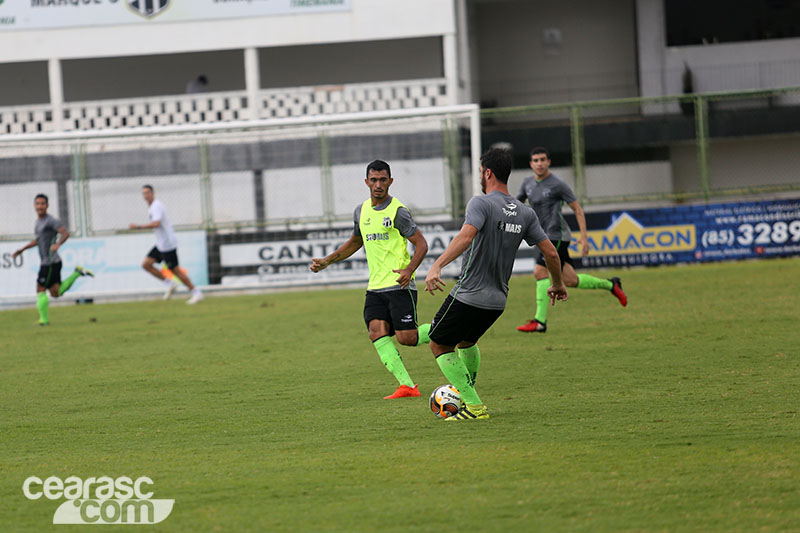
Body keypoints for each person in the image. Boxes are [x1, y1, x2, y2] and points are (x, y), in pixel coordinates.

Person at [425, 148, 568, 421]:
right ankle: (467, 393)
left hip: (468, 294)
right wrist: (558, 284)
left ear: (487, 172)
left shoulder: (480, 204)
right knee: (467, 342)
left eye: (480, 172)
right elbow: (551, 252)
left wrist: (437, 265)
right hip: (497, 301)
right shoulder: (525, 213)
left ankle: (474, 405)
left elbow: (466, 238)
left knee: (438, 344)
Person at [310, 160, 431, 399]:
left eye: (383, 180)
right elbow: (355, 242)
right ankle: (407, 386)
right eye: (373, 180)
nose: (378, 185)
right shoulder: (361, 211)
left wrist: (409, 270)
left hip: (399, 284)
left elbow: (422, 244)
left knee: (407, 338)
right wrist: (327, 261)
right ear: (366, 182)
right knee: (376, 332)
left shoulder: (398, 211)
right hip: (375, 287)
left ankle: (450, 330)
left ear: (390, 182)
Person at [516, 147, 626, 333]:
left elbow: (577, 209)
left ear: (548, 162)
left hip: (556, 236)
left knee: (539, 271)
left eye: (543, 159)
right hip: (542, 235)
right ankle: (611, 284)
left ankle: (539, 321)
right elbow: (516, 205)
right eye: (536, 160)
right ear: (531, 164)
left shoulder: (558, 184)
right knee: (570, 280)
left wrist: (584, 237)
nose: (539, 163)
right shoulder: (527, 183)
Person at [12, 194, 94, 326]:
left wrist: (58, 244)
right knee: (56, 292)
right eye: (38, 204)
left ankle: (44, 320)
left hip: (49, 263)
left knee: (40, 288)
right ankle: (77, 273)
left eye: (42, 204)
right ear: (34, 206)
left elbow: (65, 233)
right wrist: (22, 249)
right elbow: (38, 241)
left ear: (47, 206)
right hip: (51, 262)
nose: (40, 206)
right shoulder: (37, 222)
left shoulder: (51, 221)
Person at [129, 185, 204, 305]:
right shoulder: (152, 207)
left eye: (148, 192)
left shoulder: (156, 206)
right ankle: (170, 284)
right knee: (146, 264)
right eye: (144, 193)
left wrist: (138, 227)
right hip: (160, 244)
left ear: (153, 193)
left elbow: (156, 223)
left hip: (168, 244)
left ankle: (196, 292)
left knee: (175, 271)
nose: (146, 195)